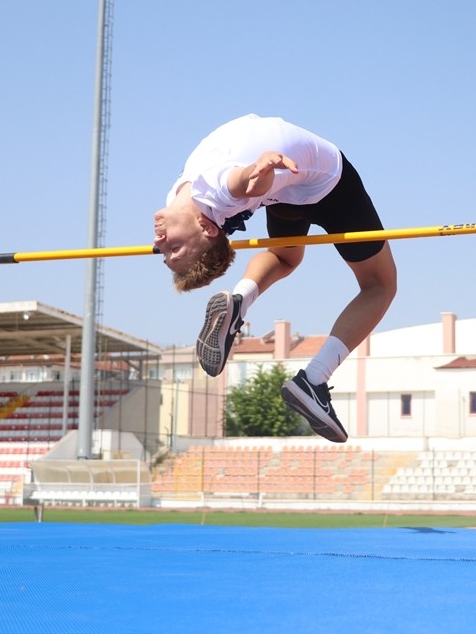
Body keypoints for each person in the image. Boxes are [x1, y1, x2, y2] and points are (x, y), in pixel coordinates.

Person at [153, 114, 397, 443]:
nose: (161, 245)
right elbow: (240, 183)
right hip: (329, 186)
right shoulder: (218, 189)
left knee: (285, 258)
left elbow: (246, 185)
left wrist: (260, 176)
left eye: (165, 253)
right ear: (207, 228)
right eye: (175, 249)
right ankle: (314, 379)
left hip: (287, 192)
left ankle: (239, 302)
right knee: (380, 286)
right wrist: (259, 173)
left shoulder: (179, 202)